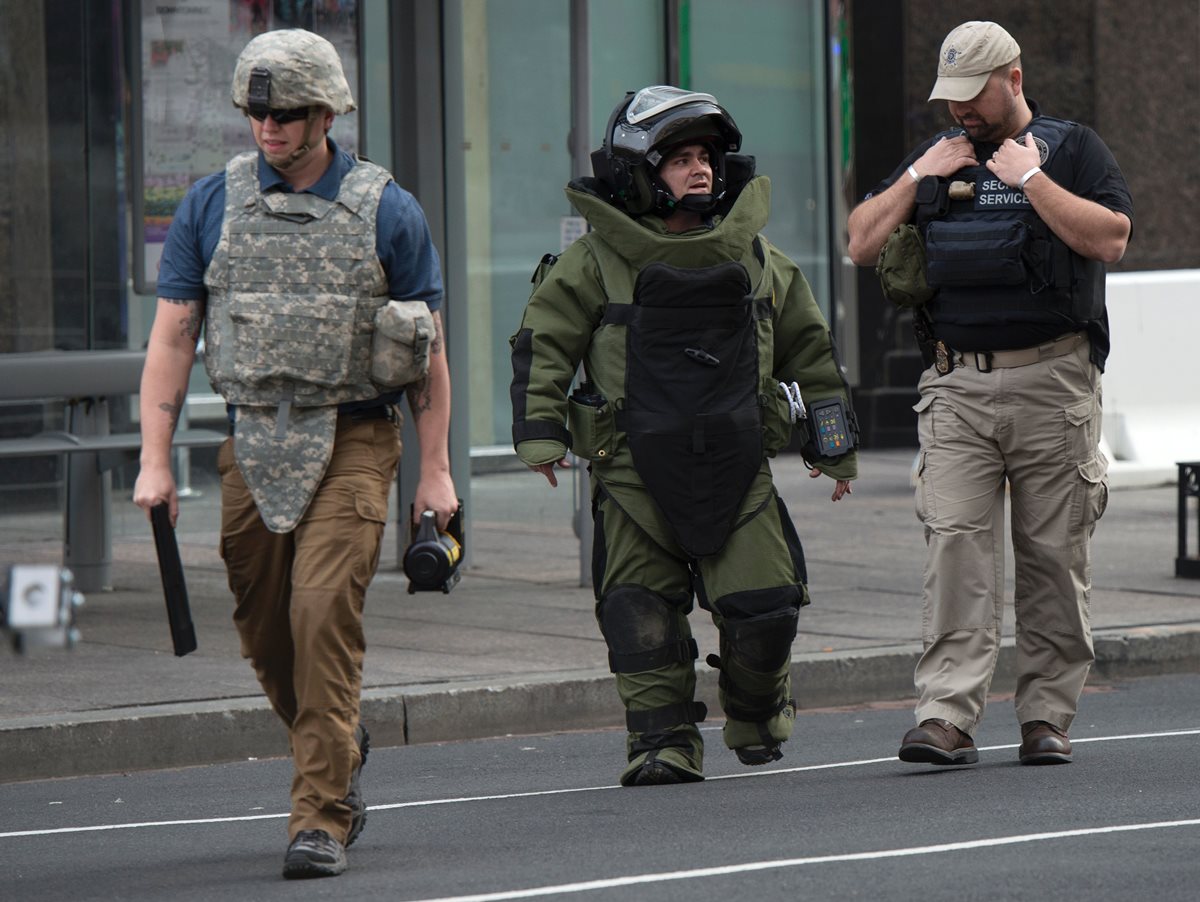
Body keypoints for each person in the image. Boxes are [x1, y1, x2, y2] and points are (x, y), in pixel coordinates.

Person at [133, 29, 457, 878]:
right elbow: (172, 340)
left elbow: (429, 351)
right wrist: (154, 458)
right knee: (264, 627)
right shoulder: (210, 204)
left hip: (353, 434)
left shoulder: (388, 208)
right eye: (255, 111)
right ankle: (340, 740)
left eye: (283, 113)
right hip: (252, 436)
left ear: (325, 113)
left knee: (320, 614)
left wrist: (434, 470)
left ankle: (320, 814)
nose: (266, 127)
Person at [510, 86, 858, 786]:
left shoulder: (759, 260)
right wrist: (541, 434)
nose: (698, 170)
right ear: (638, 174)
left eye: (704, 157)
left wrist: (834, 446)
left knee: (766, 611)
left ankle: (757, 712)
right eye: (678, 159)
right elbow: (543, 345)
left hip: (739, 468)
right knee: (639, 619)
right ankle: (661, 744)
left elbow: (812, 355)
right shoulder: (595, 263)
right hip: (632, 474)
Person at [846, 21, 1132, 767]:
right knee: (956, 552)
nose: (961, 112)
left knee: (1052, 558)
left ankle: (1046, 716)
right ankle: (946, 715)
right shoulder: (937, 156)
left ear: (1013, 77)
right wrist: (916, 178)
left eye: (973, 96)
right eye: (951, 98)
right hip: (954, 386)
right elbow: (860, 242)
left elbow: (1109, 239)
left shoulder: (1072, 149)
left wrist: (1030, 180)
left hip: (1052, 380)